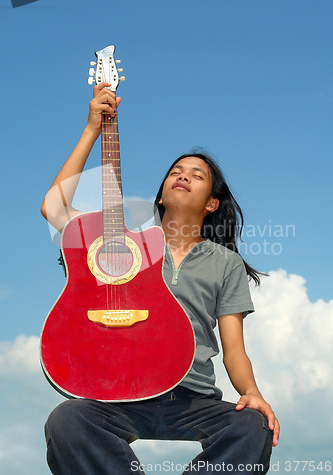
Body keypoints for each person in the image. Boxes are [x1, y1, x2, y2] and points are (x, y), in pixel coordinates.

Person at [41, 83, 280, 475]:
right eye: (175, 171)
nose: (182, 176)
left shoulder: (225, 263)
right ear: (162, 193)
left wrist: (252, 394)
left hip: (193, 397)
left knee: (253, 427)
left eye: (196, 175)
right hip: (118, 395)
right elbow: (53, 208)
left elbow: (234, 350)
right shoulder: (117, 244)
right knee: (67, 420)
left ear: (211, 203)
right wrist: (91, 131)